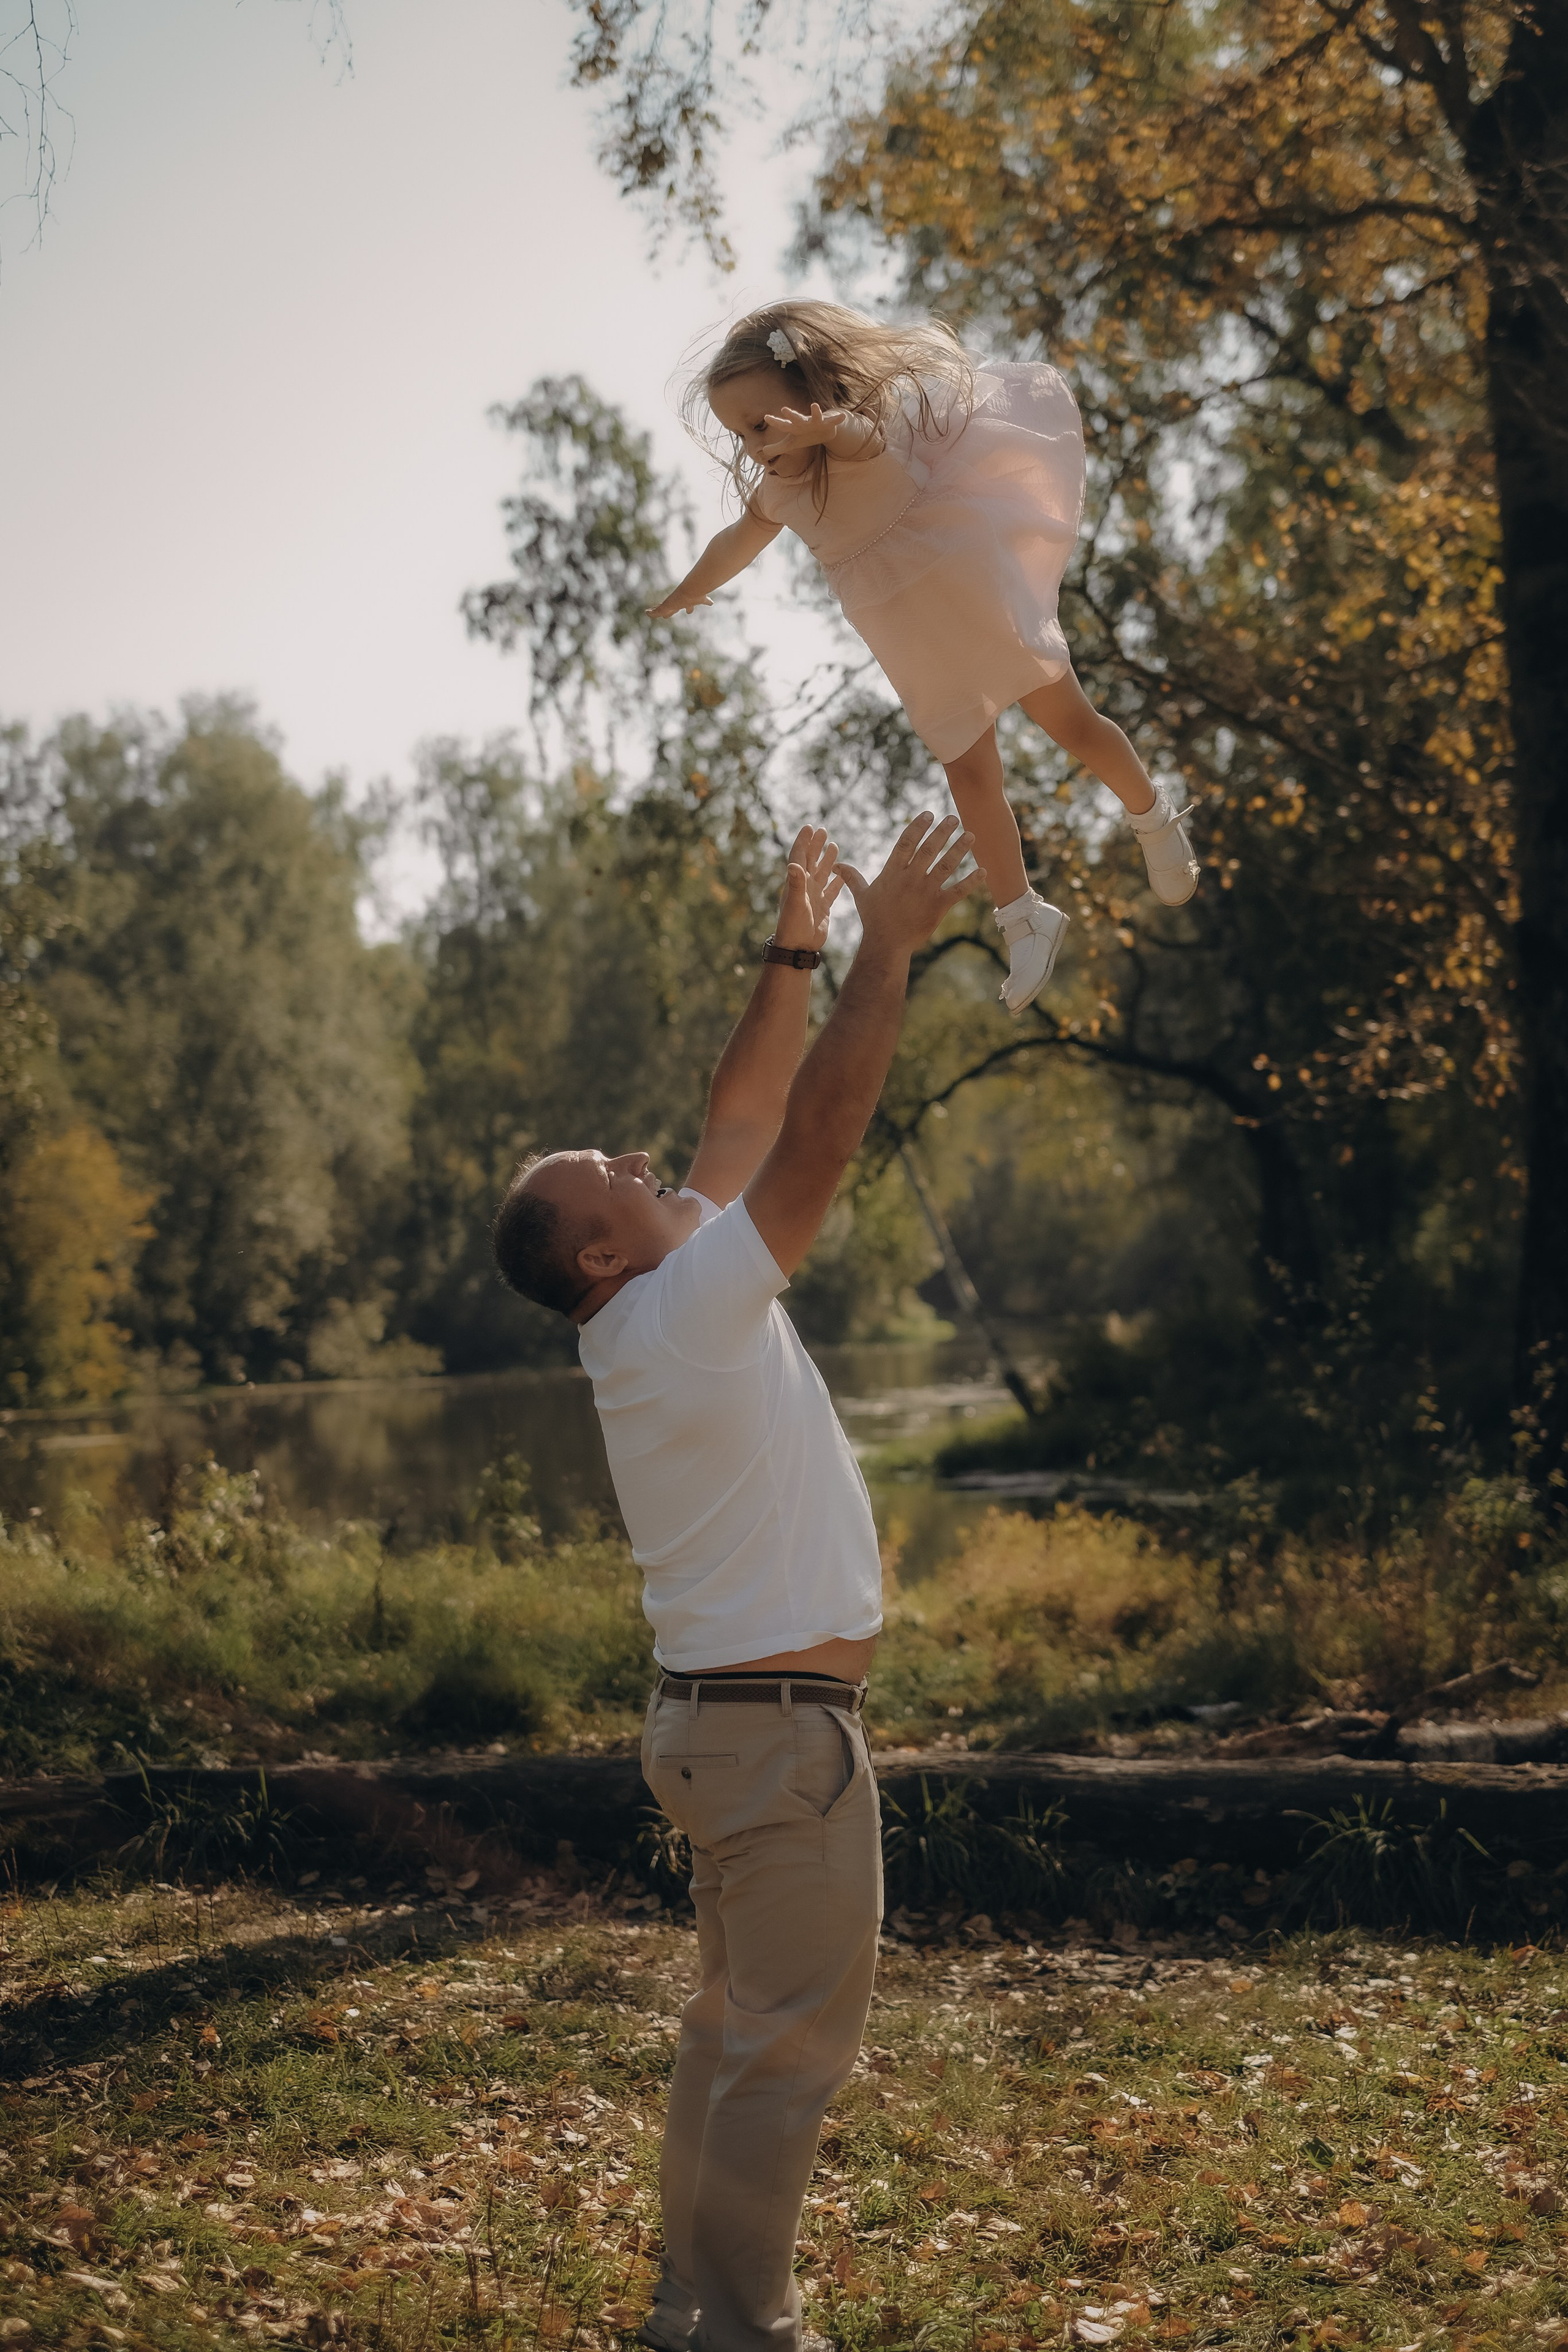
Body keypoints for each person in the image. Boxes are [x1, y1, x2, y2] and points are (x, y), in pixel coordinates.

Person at [491, 814, 979, 2352]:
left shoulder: (652, 1300)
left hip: (724, 1727)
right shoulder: (683, 1311)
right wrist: (884, 950)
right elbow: (815, 1135)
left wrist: (794, 939)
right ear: (595, 1257)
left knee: (728, 2037)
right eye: (603, 1177)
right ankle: (745, 2330)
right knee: (779, 2055)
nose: (633, 1160)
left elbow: (742, 1105)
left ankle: (687, 2307)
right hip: (772, 1739)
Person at [648, 298, 1200, 1015]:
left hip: (979, 604)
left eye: (763, 423)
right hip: (915, 644)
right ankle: (1022, 913)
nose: (754, 445)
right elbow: (735, 542)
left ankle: (1152, 816)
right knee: (970, 777)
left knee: (1071, 723)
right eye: (740, 434)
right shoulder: (780, 491)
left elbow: (853, 440)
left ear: (812, 394)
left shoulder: (863, 439)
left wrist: (828, 426)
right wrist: (687, 590)